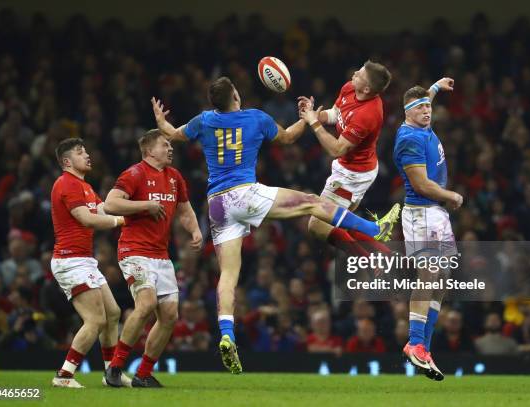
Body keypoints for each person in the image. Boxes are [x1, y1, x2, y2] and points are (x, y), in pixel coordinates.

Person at [151, 76, 400, 374]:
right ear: (236, 96)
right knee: (312, 202)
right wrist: (308, 118)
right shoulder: (256, 118)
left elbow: (171, 133)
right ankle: (374, 229)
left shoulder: (203, 121)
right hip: (244, 194)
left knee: (228, 274)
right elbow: (288, 138)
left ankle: (227, 335)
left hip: (216, 205)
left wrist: (159, 120)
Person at [103, 129, 202, 388]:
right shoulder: (134, 173)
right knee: (145, 304)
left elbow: (184, 209)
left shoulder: (174, 177)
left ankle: (143, 373)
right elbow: (110, 204)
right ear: (149, 151)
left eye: (170, 145)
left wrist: (195, 230)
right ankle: (115, 368)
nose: (170, 149)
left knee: (169, 316)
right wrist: (144, 205)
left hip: (161, 254)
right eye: (164, 144)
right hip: (134, 250)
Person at [393, 78, 463, 381]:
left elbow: (424, 100)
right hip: (421, 212)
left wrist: (433, 88)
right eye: (420, 107)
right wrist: (451, 196)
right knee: (429, 273)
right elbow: (420, 184)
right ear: (408, 112)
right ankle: (415, 342)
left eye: (428, 106)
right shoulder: (409, 138)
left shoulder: (422, 125)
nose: (426, 111)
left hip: (436, 214)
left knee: (444, 279)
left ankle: (424, 346)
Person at [50, 138, 129, 388]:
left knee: (113, 313)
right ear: (66, 162)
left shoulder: (83, 186)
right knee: (95, 320)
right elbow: (87, 219)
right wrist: (122, 222)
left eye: (86, 150)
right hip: (70, 260)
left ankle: (111, 375)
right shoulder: (66, 184)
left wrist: (132, 210)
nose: (87, 154)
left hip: (83, 260)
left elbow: (102, 209)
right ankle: (64, 376)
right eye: (80, 152)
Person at [298, 60, 397, 257]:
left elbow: (336, 149)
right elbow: (336, 113)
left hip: (352, 174)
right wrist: (315, 114)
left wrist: (314, 123)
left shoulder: (368, 114)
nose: (354, 75)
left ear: (367, 88)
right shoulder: (350, 88)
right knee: (343, 222)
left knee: (317, 225)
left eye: (359, 75)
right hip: (357, 167)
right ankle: (387, 256)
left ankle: (370, 259)